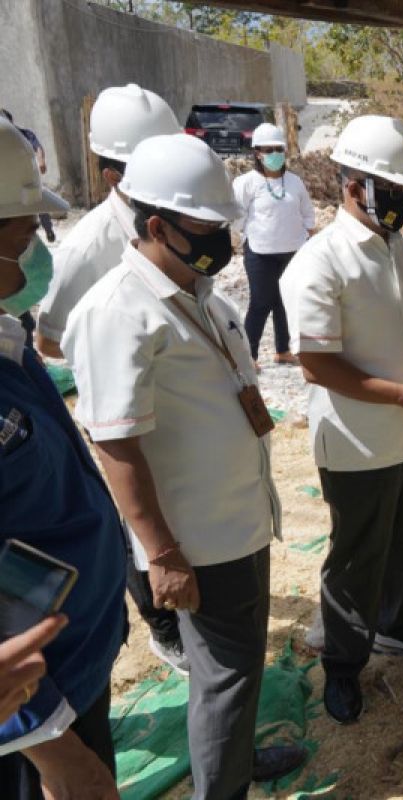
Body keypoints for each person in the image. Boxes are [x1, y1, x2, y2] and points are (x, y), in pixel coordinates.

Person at [62, 133, 306, 798]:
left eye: (222, 229)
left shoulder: (197, 290)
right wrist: (163, 552)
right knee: (225, 675)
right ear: (156, 226)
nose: (218, 243)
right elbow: (116, 445)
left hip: (237, 519)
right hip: (196, 538)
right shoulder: (120, 312)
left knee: (234, 671)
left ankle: (233, 762)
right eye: (204, 230)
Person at [280, 115, 403, 725]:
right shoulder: (320, 261)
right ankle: (342, 665)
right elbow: (316, 365)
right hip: (359, 443)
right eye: (389, 189)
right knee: (358, 558)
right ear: (353, 185)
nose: (399, 201)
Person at [32, 83, 189, 677]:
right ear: (110, 174)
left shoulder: (176, 219)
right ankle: (162, 625)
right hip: (123, 405)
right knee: (133, 514)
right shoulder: (89, 246)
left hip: (175, 396)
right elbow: (50, 339)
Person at [0, 115, 124, 800]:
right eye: (22, 234)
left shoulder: (6, 339)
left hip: (67, 671)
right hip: (29, 713)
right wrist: (51, 744)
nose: (34, 250)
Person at [232, 122, 315, 368]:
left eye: (278, 149)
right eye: (268, 150)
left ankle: (283, 350)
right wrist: (240, 239)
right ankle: (249, 355)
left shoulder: (294, 182)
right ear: (257, 153)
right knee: (261, 302)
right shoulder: (247, 182)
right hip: (260, 251)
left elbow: (307, 213)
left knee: (284, 301)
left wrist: (313, 239)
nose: (274, 154)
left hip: (293, 250)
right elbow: (237, 216)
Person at [0, 111, 54, 243]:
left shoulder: (23, 135)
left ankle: (48, 230)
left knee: (37, 201)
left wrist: (41, 161)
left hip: (25, 179)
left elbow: (37, 147)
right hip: (7, 183)